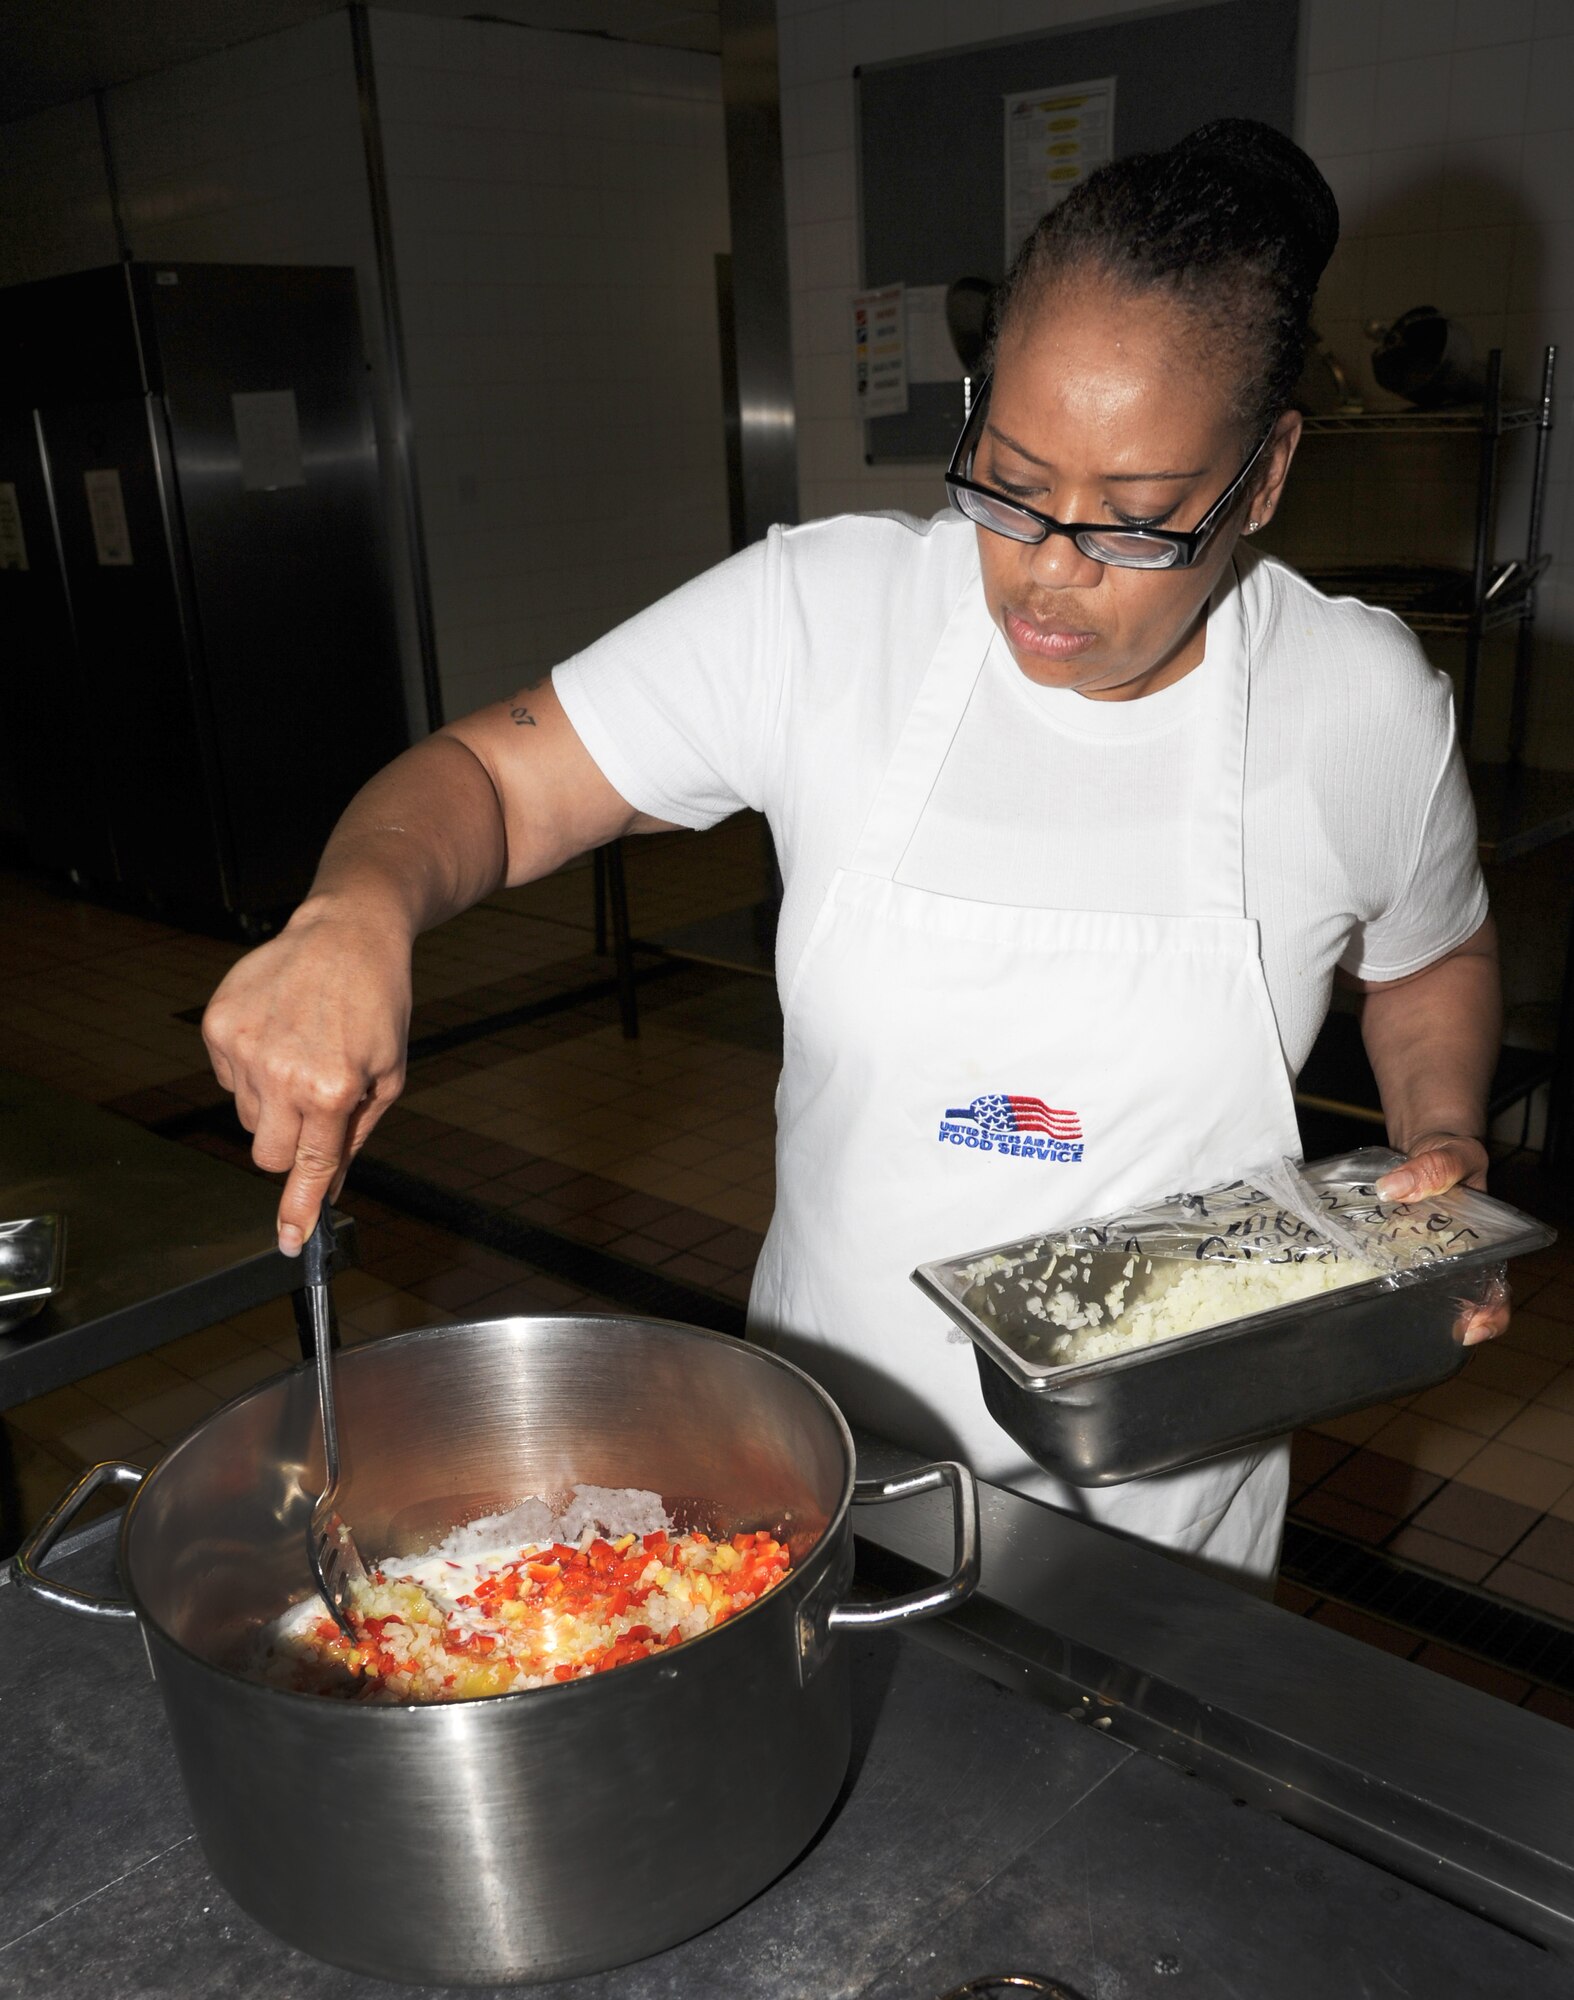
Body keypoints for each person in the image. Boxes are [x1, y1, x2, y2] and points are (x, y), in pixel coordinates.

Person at [204, 119, 1505, 1586]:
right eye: (1005, 479)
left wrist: (1434, 1137)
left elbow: (1431, 953)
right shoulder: (822, 620)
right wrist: (350, 914)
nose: (1047, 567)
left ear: (1263, 478)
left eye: (1136, 523)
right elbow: (493, 780)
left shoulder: (1356, 704)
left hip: (1168, 1514)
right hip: (816, 1466)